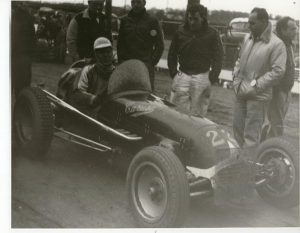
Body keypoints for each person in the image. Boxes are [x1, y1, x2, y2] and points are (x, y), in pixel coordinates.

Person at [232, 8, 287, 149]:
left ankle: (247, 168)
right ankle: (237, 164)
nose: (249, 26)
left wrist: (255, 85)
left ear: (264, 22)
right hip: (240, 92)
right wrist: (236, 79)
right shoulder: (247, 38)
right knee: (237, 130)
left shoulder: (277, 44)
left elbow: (278, 71)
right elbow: (239, 60)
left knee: (251, 136)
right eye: (249, 23)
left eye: (252, 23)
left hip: (258, 96)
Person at [167, 4, 223, 116]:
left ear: (203, 18)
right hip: (183, 75)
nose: (192, 22)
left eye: (195, 19)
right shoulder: (180, 31)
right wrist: (174, 73)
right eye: (190, 18)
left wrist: (212, 77)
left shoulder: (212, 33)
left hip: (202, 77)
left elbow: (219, 56)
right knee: (177, 113)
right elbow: (172, 53)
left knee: (197, 116)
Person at [117, 0, 164, 91]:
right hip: (127, 64)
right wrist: (121, 61)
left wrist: (151, 63)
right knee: (125, 92)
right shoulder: (124, 20)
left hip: (145, 65)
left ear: (144, 3)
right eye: (133, 2)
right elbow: (120, 43)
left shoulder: (153, 21)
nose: (135, 5)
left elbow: (160, 45)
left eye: (138, 2)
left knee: (146, 95)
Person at [264, 17, 298, 138]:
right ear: (283, 30)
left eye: (296, 27)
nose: (297, 31)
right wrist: (276, 89)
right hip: (277, 91)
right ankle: (272, 151)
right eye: (293, 28)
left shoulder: (289, 44)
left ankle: (264, 147)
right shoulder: (277, 44)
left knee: (275, 121)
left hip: (286, 90)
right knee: (277, 124)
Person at [69, 37, 114, 114]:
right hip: (92, 112)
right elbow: (78, 93)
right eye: (102, 52)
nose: (106, 55)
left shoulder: (117, 72)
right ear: (96, 54)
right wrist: (93, 99)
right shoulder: (88, 71)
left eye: (108, 51)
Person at [11, 1, 36, 98]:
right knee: (23, 84)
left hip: (15, 54)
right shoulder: (28, 18)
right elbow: (33, 38)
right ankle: (21, 104)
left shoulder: (12, 15)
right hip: (24, 55)